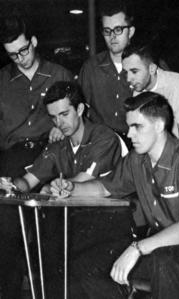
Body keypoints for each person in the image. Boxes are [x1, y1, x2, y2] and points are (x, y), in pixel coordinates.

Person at [51, 92, 179, 299]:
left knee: (165, 261)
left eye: (137, 127)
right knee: (88, 264)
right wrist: (71, 188)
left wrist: (136, 248)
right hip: (159, 245)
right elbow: (104, 188)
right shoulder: (137, 159)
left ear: (159, 126)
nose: (130, 134)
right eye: (129, 126)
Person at [13, 81, 132, 299]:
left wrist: (51, 187)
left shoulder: (103, 137)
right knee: (42, 251)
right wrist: (9, 185)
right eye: (53, 117)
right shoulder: (59, 145)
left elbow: (80, 183)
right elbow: (27, 182)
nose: (59, 122)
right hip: (77, 222)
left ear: (79, 109)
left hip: (117, 224)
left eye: (64, 114)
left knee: (68, 258)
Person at [0, 10, 72, 299]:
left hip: (50, 157)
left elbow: (76, 119)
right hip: (11, 159)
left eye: (24, 50)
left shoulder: (59, 74)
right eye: (13, 55)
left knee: (50, 235)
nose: (20, 58)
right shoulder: (1, 81)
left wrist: (62, 130)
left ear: (34, 41)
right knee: (6, 236)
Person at [78, 0, 135, 148]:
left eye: (118, 29)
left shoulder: (148, 66)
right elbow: (80, 109)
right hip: (100, 144)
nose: (112, 36)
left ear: (131, 31)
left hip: (136, 144)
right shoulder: (91, 68)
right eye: (107, 31)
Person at [122, 41, 179, 145]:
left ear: (152, 69)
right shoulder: (138, 91)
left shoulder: (177, 86)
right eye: (126, 72)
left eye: (134, 71)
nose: (128, 79)